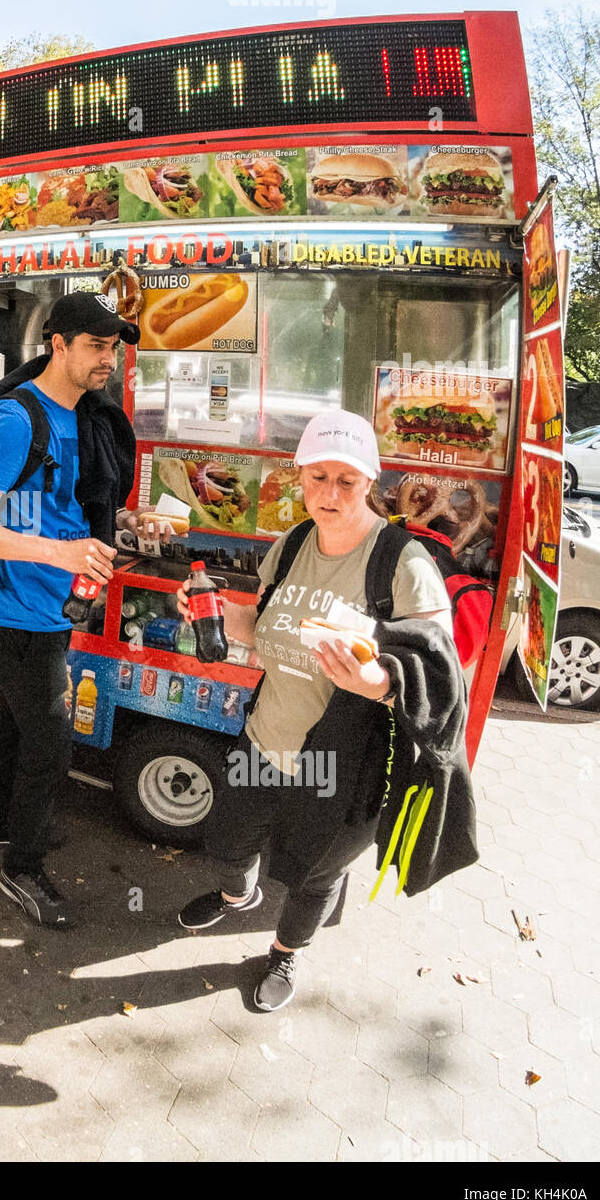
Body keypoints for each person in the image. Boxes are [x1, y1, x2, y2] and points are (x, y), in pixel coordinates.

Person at [173, 409, 463, 1012]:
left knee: (313, 876)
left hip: (345, 765)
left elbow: (439, 681)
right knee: (227, 848)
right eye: (318, 478)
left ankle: (284, 952)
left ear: (372, 484)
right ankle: (236, 898)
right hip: (263, 740)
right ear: (299, 477)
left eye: (347, 481)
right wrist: (212, 611)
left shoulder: (403, 565)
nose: (329, 495)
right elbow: (263, 627)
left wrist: (375, 681)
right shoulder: (292, 544)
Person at [0, 293, 162, 928]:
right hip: (15, 612)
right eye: (96, 346)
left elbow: (60, 505)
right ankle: (23, 867)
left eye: (114, 348)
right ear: (57, 344)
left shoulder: (82, 418)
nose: (108, 360)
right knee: (51, 746)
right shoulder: (17, 419)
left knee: (16, 719)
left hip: (53, 608)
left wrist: (123, 521)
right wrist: (61, 555)